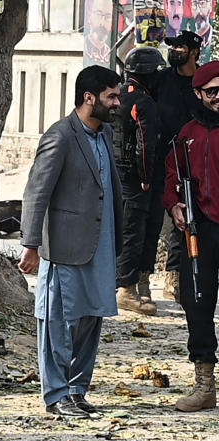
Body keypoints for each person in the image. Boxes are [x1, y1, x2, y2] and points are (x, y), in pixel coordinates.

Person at [19, 66, 123, 419]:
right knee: (57, 321)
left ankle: (77, 390)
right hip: (63, 247)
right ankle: (56, 395)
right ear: (89, 98)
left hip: (101, 245)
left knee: (92, 317)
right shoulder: (60, 136)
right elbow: (36, 193)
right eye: (111, 96)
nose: (117, 102)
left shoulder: (105, 134)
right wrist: (31, 244)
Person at [162, 61, 219, 412]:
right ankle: (205, 384)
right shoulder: (187, 135)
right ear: (198, 94)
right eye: (212, 92)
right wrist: (175, 207)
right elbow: (172, 179)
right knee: (197, 305)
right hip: (201, 232)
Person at [113, 48, 165, 316]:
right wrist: (146, 178)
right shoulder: (144, 102)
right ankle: (127, 290)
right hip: (135, 179)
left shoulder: (115, 95)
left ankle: (120, 283)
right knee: (134, 233)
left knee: (117, 230)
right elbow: (146, 145)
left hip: (114, 173)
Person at [157, 31, 203, 303]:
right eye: (172, 46)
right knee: (158, 220)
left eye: (180, 47)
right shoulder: (161, 80)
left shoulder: (204, 83)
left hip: (195, 160)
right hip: (161, 159)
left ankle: (181, 277)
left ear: (195, 52)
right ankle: (154, 277)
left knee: (188, 220)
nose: (174, 51)